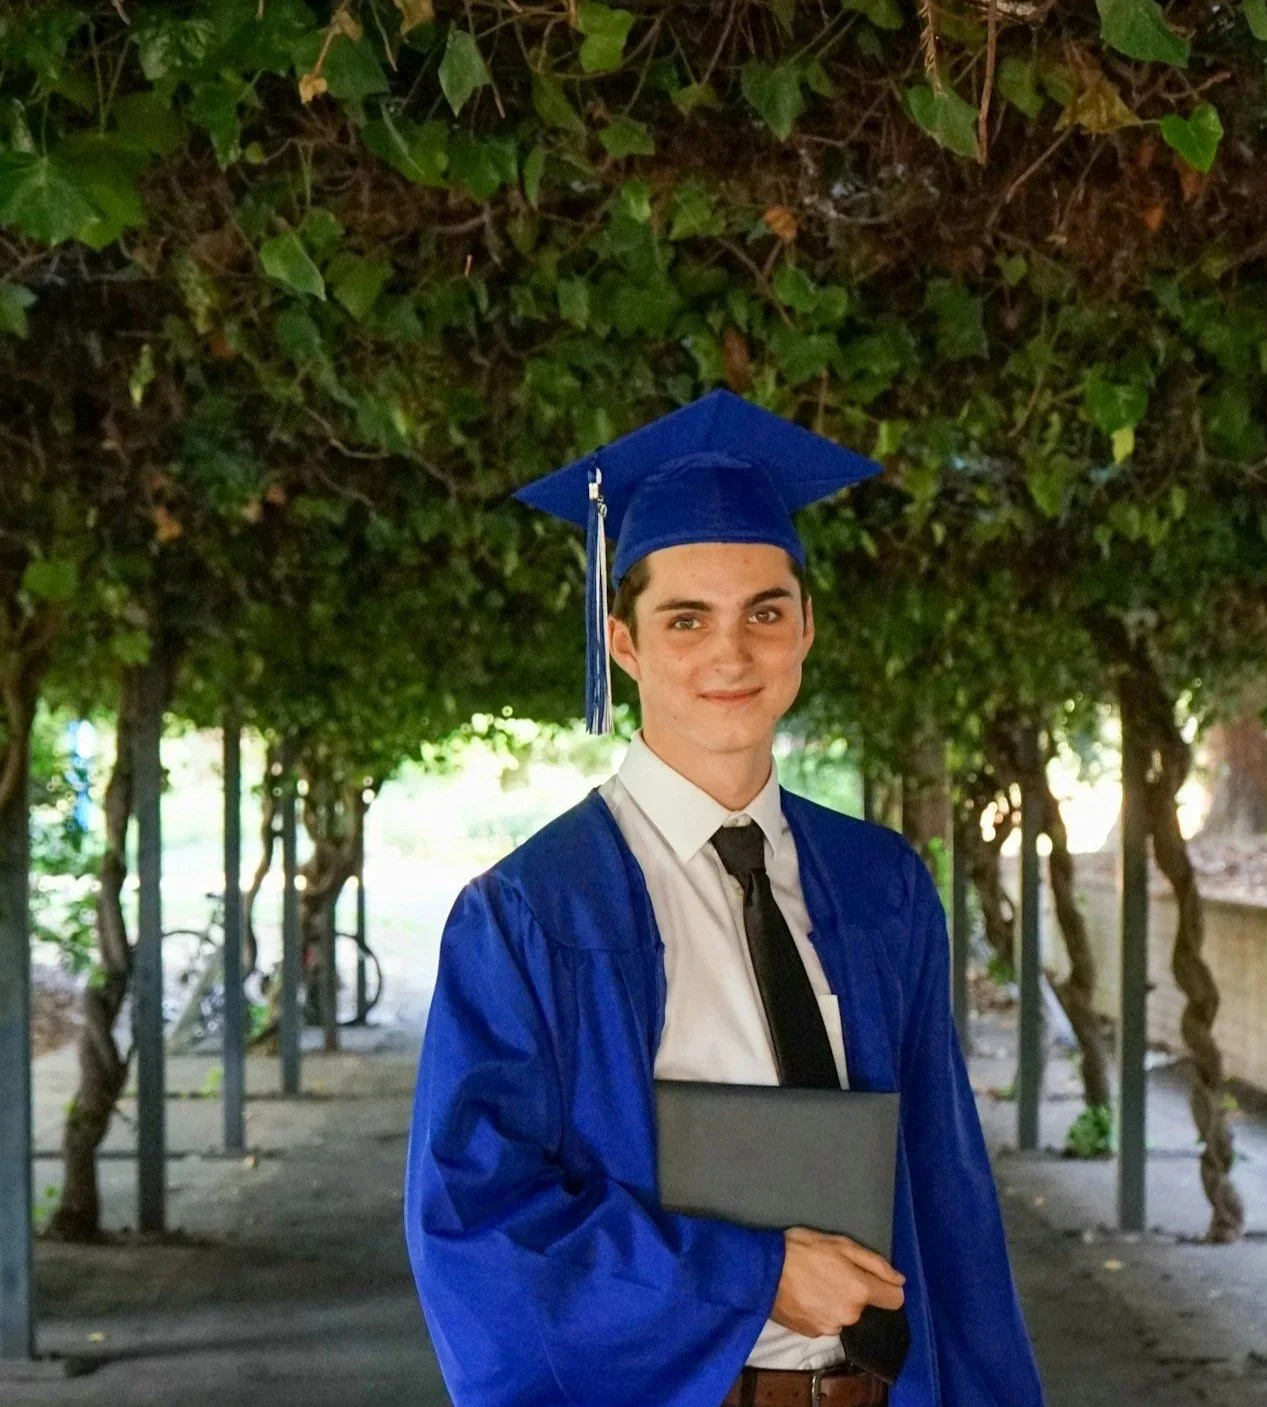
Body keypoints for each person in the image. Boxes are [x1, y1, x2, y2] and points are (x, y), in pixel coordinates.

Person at [404, 389, 1045, 1407]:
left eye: (765, 612)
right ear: (624, 642)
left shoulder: (883, 890)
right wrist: (752, 1279)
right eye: (686, 617)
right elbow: (477, 1221)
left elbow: (947, 1192)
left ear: (806, 629)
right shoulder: (532, 915)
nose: (730, 653)